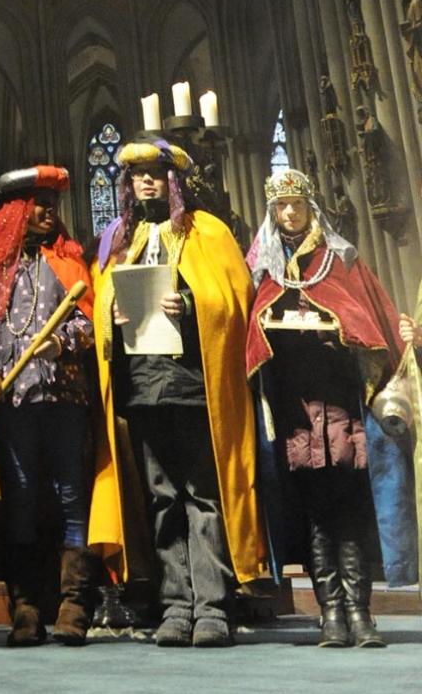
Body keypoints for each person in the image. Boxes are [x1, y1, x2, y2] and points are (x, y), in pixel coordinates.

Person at [88, 140, 266, 648]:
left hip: (193, 387)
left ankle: (211, 607)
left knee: (203, 497)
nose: (146, 182)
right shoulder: (119, 241)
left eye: (155, 173)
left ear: (175, 180)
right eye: (137, 175)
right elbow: (102, 305)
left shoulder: (207, 231)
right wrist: (112, 317)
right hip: (143, 389)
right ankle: (175, 605)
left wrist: (186, 302)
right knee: (162, 500)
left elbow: (234, 302)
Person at [248, 169, 413, 648]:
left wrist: (338, 327)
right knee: (316, 513)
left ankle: (361, 613)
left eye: (297, 204)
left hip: (342, 408)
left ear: (310, 207)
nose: (291, 213)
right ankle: (331, 612)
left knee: (350, 507)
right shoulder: (264, 268)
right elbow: (250, 333)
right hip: (297, 412)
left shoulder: (339, 260)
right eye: (281, 207)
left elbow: (369, 319)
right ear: (272, 213)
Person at [0, 166, 97, 647]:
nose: (47, 212)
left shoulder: (68, 262)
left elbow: (91, 325)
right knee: (21, 500)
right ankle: (24, 608)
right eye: (37, 203)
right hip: (15, 400)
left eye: (52, 203)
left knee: (71, 496)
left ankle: (74, 606)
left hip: (64, 396)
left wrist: (61, 344)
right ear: (14, 211)